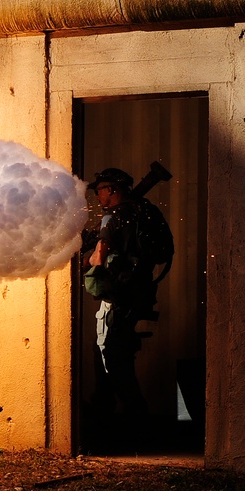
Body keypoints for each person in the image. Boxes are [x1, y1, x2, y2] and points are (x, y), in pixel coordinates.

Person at [83, 168, 156, 428]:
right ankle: (106, 406)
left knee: (110, 355)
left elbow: (99, 257)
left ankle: (136, 420)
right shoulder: (143, 212)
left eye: (100, 189)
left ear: (112, 189)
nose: (98, 195)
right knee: (110, 352)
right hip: (137, 294)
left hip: (118, 297)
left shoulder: (112, 218)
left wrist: (86, 258)